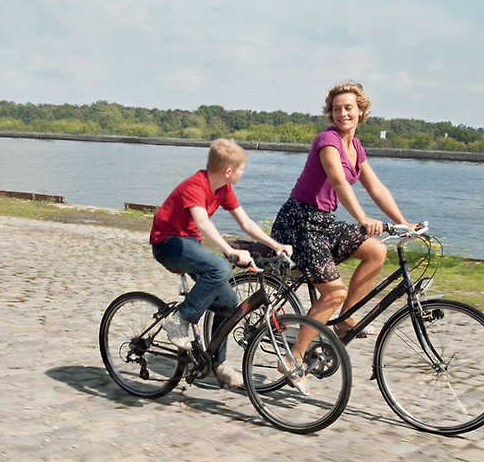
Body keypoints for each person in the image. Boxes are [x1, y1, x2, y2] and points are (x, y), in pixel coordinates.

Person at [271, 81, 416, 394]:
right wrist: (362, 218)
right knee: (332, 294)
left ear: (361, 111)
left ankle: (344, 321)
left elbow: (376, 188)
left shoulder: (357, 148)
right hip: (299, 224)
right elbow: (338, 182)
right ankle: (292, 357)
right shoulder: (327, 141)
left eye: (348, 107)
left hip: (323, 224)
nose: (342, 113)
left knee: (376, 251)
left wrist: (404, 223)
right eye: (336, 109)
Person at [150, 138, 293, 390]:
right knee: (220, 268)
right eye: (241, 168)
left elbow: (245, 223)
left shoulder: (223, 189)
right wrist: (229, 250)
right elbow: (203, 223)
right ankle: (179, 318)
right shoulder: (195, 185)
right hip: (168, 244)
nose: (243, 172)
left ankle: (218, 365)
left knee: (229, 305)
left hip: (189, 243)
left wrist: (275, 245)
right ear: (228, 171)